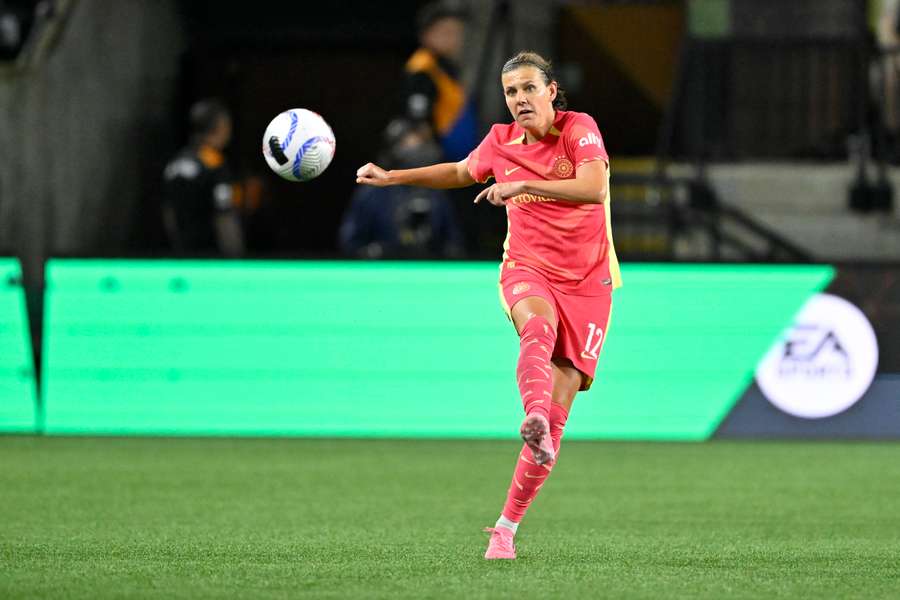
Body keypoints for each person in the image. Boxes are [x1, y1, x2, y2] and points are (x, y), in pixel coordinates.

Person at [356, 50, 621, 560]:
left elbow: (593, 187)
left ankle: (505, 529)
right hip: (527, 268)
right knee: (536, 329)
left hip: (590, 283)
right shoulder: (500, 140)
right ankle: (534, 415)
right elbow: (460, 171)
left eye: (527, 88)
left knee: (561, 414)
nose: (519, 99)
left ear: (551, 90)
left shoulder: (577, 129)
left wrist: (523, 183)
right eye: (510, 92)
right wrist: (392, 177)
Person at [339, 118, 464, 259]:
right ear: (394, 148)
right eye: (410, 143)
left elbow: (454, 244)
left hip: (427, 271)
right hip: (382, 270)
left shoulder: (436, 192)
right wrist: (378, 252)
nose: (419, 150)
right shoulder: (373, 193)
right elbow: (350, 243)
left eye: (423, 143)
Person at [161, 98, 245, 257]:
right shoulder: (214, 164)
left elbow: (168, 213)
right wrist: (235, 257)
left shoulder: (175, 163)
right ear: (220, 126)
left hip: (182, 254)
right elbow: (224, 216)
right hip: (211, 257)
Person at [403, 1, 477, 162]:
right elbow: (417, 120)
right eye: (446, 33)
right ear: (426, 35)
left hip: (462, 159)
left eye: (458, 33)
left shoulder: (447, 65)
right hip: (441, 160)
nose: (454, 40)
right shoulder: (422, 67)